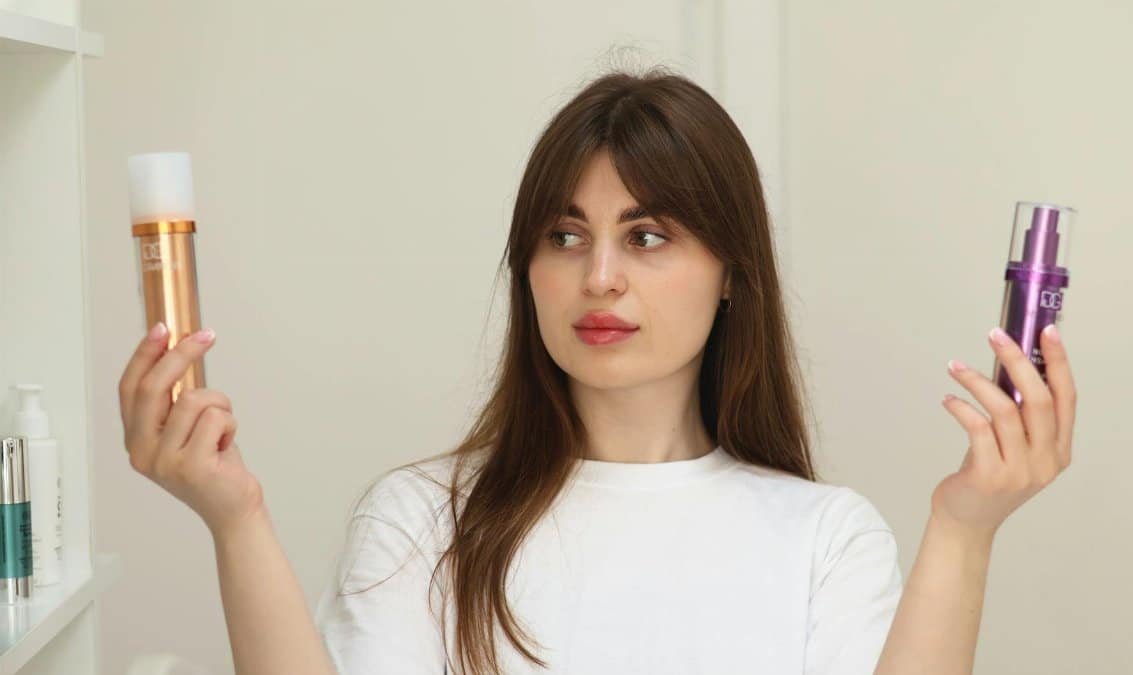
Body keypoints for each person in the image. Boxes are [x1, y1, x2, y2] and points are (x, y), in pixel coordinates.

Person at [117, 67, 1077, 675]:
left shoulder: (826, 540)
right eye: (564, 235)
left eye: (648, 234)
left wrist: (965, 528)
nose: (600, 276)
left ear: (733, 273)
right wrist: (233, 518)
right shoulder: (420, 523)